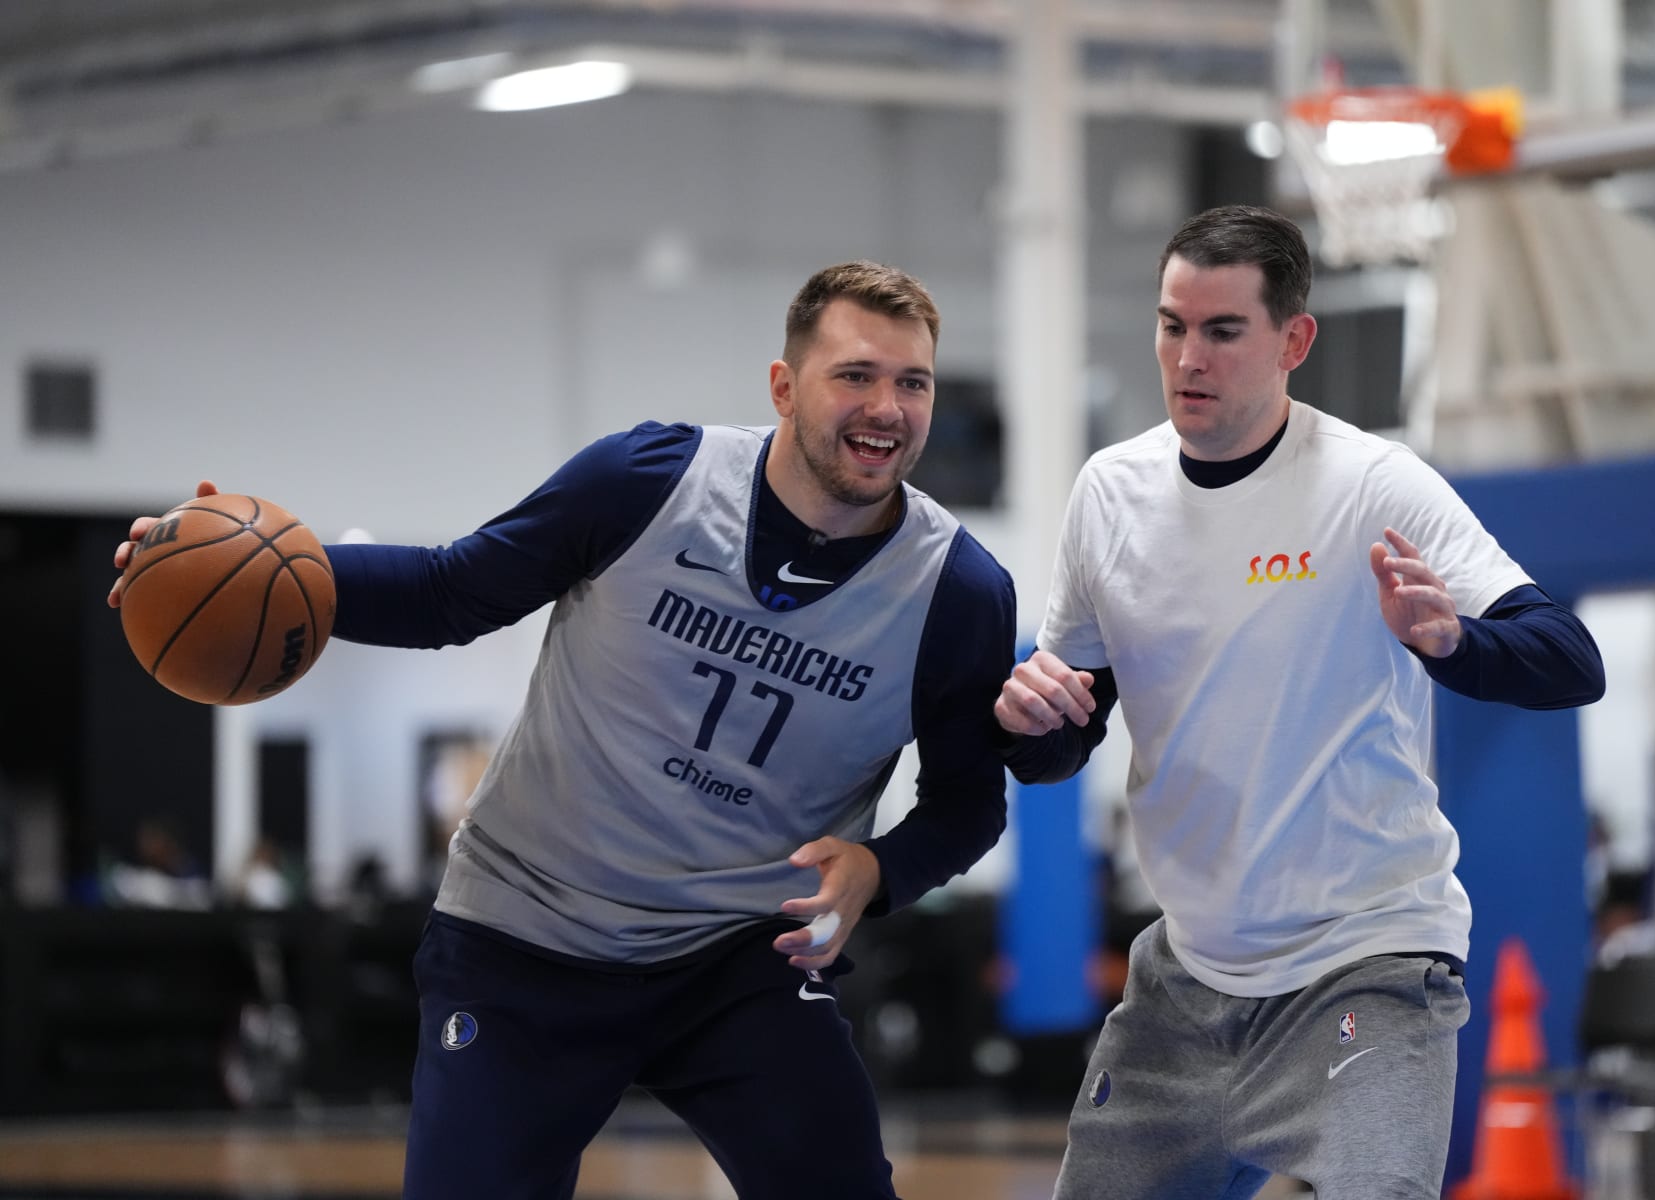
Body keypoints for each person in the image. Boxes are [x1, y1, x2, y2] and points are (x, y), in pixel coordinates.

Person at [108, 261, 1017, 1199]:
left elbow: (967, 804)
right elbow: (451, 590)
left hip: (736, 951)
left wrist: (879, 871)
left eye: (913, 383)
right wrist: (259, 574)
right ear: (784, 387)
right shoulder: (648, 481)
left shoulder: (957, 593)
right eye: (856, 375)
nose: (887, 407)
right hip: (525, 930)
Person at [994, 206, 1606, 1199]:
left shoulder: (1373, 485)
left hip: (1363, 968)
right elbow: (1066, 734)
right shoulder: (1110, 492)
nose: (1189, 356)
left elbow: (1569, 660)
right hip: (1186, 981)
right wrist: (1032, 726)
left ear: (1294, 340)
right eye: (1172, 325)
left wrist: (1451, 641)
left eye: (1223, 330)